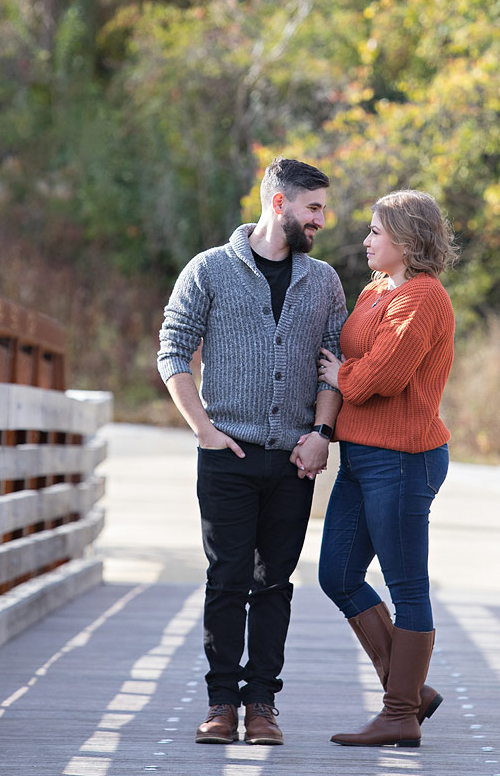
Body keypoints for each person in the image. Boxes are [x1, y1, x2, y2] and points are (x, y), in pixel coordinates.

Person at [158, 157, 347, 746]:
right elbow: (173, 352)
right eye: (312, 208)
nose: (322, 219)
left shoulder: (324, 281)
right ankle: (221, 705)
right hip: (227, 456)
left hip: (293, 460)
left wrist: (321, 433)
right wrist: (204, 431)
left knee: (275, 584)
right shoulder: (208, 270)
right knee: (226, 579)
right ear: (278, 204)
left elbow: (334, 365)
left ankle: (262, 704)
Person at [315, 189, 457, 748]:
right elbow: (360, 358)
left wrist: (341, 374)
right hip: (362, 454)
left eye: (376, 231)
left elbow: (382, 376)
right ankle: (411, 694)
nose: (366, 240)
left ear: (407, 239)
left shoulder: (423, 298)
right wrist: (349, 369)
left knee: (407, 585)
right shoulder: (377, 290)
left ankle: (399, 711)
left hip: (404, 459)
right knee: (337, 574)